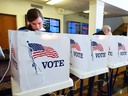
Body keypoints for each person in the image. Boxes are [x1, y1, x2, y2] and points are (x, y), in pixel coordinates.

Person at [88, 25, 112, 96]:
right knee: (98, 75)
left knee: (94, 75)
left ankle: (90, 91)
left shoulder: (94, 35)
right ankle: (98, 89)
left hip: (96, 59)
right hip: (98, 59)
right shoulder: (101, 37)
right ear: (108, 31)